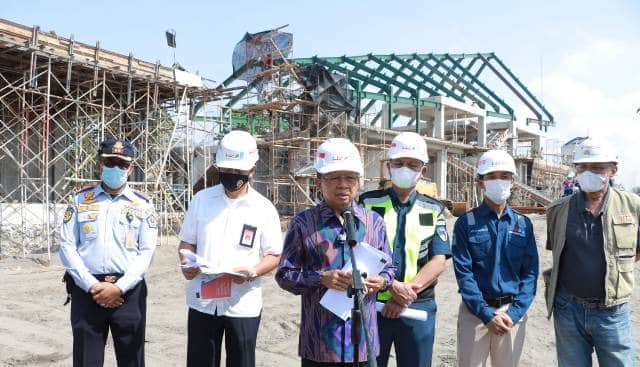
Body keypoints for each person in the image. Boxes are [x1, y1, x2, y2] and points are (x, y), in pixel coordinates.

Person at [275, 138, 395, 366]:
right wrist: (321, 278)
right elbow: (284, 275)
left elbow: (389, 268)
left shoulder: (374, 223)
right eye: (334, 177)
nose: (343, 184)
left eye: (350, 177)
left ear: (358, 181)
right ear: (319, 182)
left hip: (364, 347)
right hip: (319, 346)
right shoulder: (304, 224)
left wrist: (381, 282)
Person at [178, 130, 282, 367]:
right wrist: (186, 264)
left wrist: (253, 272)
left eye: (239, 172)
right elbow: (187, 242)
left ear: (252, 170)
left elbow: (274, 254)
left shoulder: (264, 209)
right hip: (202, 299)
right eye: (227, 171)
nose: (232, 176)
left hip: (242, 302)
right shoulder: (201, 200)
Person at [59, 138, 158, 367]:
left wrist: (119, 287)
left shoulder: (143, 204)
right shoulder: (80, 201)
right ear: (98, 165)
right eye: (110, 162)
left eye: (122, 164)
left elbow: (147, 251)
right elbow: (67, 245)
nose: (116, 168)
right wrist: (92, 285)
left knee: (132, 358)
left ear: (131, 168)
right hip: (87, 292)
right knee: (86, 360)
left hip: (128, 292)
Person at [545, 138, 640, 367]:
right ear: (576, 170)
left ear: (613, 170)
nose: (588, 173)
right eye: (583, 167)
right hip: (568, 311)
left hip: (612, 312)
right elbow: (557, 251)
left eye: (597, 168)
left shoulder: (633, 206)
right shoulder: (558, 210)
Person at [359, 132, 450, 367]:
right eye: (398, 163)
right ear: (389, 166)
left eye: (412, 164)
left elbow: (438, 260)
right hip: (372, 303)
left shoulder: (434, 209)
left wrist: (403, 296)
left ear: (423, 171)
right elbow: (356, 251)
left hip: (417, 305)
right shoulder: (367, 203)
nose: (404, 169)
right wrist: (392, 288)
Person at [452, 149, 539, 367]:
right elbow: (464, 274)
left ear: (513, 182)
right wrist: (486, 315)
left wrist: (516, 312)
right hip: (474, 313)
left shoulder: (522, 224)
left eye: (504, 176)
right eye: (491, 177)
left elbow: (530, 274)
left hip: (511, 314)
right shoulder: (466, 224)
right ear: (480, 183)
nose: (498, 181)